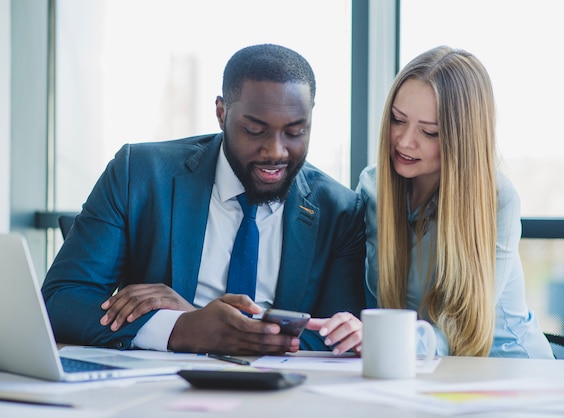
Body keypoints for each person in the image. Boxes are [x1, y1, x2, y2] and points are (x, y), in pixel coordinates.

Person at [42, 44, 364, 356]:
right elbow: (61, 300)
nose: (276, 151)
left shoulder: (340, 211)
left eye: (295, 132)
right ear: (221, 113)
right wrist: (183, 327)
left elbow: (337, 337)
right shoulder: (139, 174)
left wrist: (215, 330)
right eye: (254, 130)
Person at [352, 45, 553, 358]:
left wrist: (383, 339)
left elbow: (463, 332)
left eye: (429, 132)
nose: (405, 141)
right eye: (397, 119)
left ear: (461, 137)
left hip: (500, 365)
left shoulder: (498, 200)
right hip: (411, 363)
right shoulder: (372, 187)